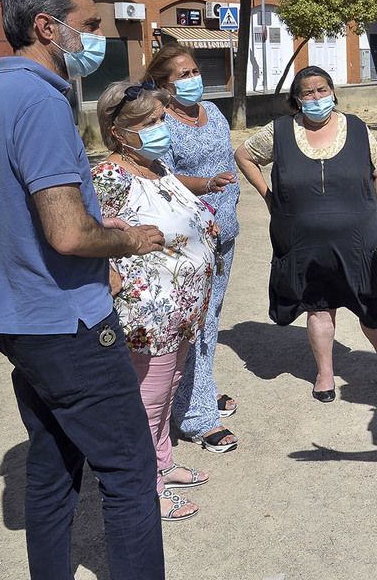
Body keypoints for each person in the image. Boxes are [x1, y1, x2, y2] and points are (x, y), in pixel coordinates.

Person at [0, 0, 167, 579]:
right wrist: (131, 238)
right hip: (66, 323)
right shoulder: (42, 103)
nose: (97, 38)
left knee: (52, 468)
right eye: (92, 26)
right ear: (48, 27)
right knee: (130, 473)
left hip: (18, 319)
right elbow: (69, 232)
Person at [235, 66, 377, 402]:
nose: (316, 97)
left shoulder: (359, 129)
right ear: (296, 99)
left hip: (358, 240)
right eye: (307, 92)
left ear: (333, 92)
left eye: (322, 90)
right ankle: (325, 374)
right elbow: (244, 155)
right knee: (318, 307)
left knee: (371, 305)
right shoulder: (279, 131)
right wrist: (268, 195)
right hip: (306, 242)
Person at [93, 80, 226, 521]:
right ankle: (145, 487)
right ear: (118, 132)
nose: (159, 129)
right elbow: (92, 238)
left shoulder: (157, 168)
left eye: (159, 120)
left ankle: (163, 463)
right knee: (147, 400)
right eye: (148, 123)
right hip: (148, 314)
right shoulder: (109, 176)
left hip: (183, 308)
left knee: (168, 390)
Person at [145, 45, 241, 453]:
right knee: (194, 324)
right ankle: (197, 417)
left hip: (225, 234)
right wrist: (206, 191)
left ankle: (195, 393)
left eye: (195, 71)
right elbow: (161, 179)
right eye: (182, 75)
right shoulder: (160, 123)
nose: (192, 80)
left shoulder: (213, 112)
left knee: (211, 319)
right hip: (189, 238)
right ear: (162, 86)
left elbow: (228, 162)